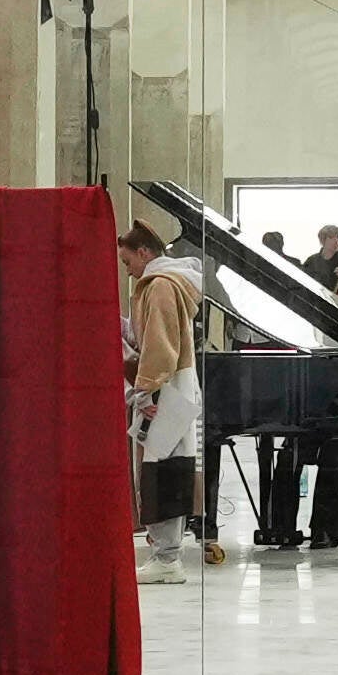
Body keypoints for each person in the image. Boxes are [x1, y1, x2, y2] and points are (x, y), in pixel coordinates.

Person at [117, 221, 211, 575]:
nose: (128, 272)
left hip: (165, 388)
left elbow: (159, 345)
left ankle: (167, 557)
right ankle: (165, 551)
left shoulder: (158, 286)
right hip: (175, 385)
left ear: (144, 253)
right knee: (168, 466)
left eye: (128, 263)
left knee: (161, 469)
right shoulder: (170, 283)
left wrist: (144, 390)